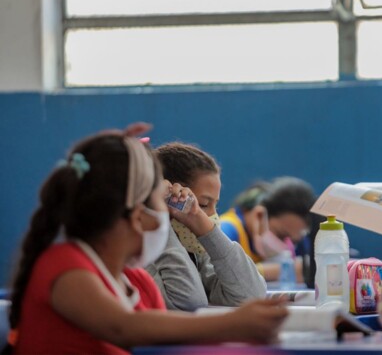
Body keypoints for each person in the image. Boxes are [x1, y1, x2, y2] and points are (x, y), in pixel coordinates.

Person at [5, 125, 287, 354]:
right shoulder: (66, 266)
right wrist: (231, 324)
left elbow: (172, 324)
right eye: (162, 205)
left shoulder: (134, 281)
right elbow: (123, 327)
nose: (166, 217)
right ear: (137, 211)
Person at [146, 142, 266, 311]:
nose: (208, 216)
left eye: (215, 205)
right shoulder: (141, 251)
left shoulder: (195, 249)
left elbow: (251, 295)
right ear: (167, 198)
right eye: (203, 205)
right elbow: (187, 302)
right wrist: (160, 217)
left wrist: (208, 231)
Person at [220, 177, 316, 283]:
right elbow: (218, 275)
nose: (286, 246)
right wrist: (273, 271)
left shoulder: (297, 237)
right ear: (260, 215)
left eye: (294, 241)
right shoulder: (227, 231)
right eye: (281, 235)